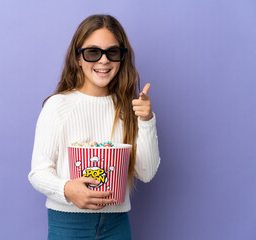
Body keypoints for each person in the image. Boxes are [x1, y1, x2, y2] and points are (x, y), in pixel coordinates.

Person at [28, 14, 160, 240]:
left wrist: (146, 120)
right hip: (68, 223)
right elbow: (38, 173)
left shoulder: (128, 108)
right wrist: (67, 189)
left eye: (113, 52)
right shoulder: (58, 106)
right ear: (78, 58)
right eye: (92, 52)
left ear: (121, 58)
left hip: (116, 224)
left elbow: (146, 173)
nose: (103, 61)